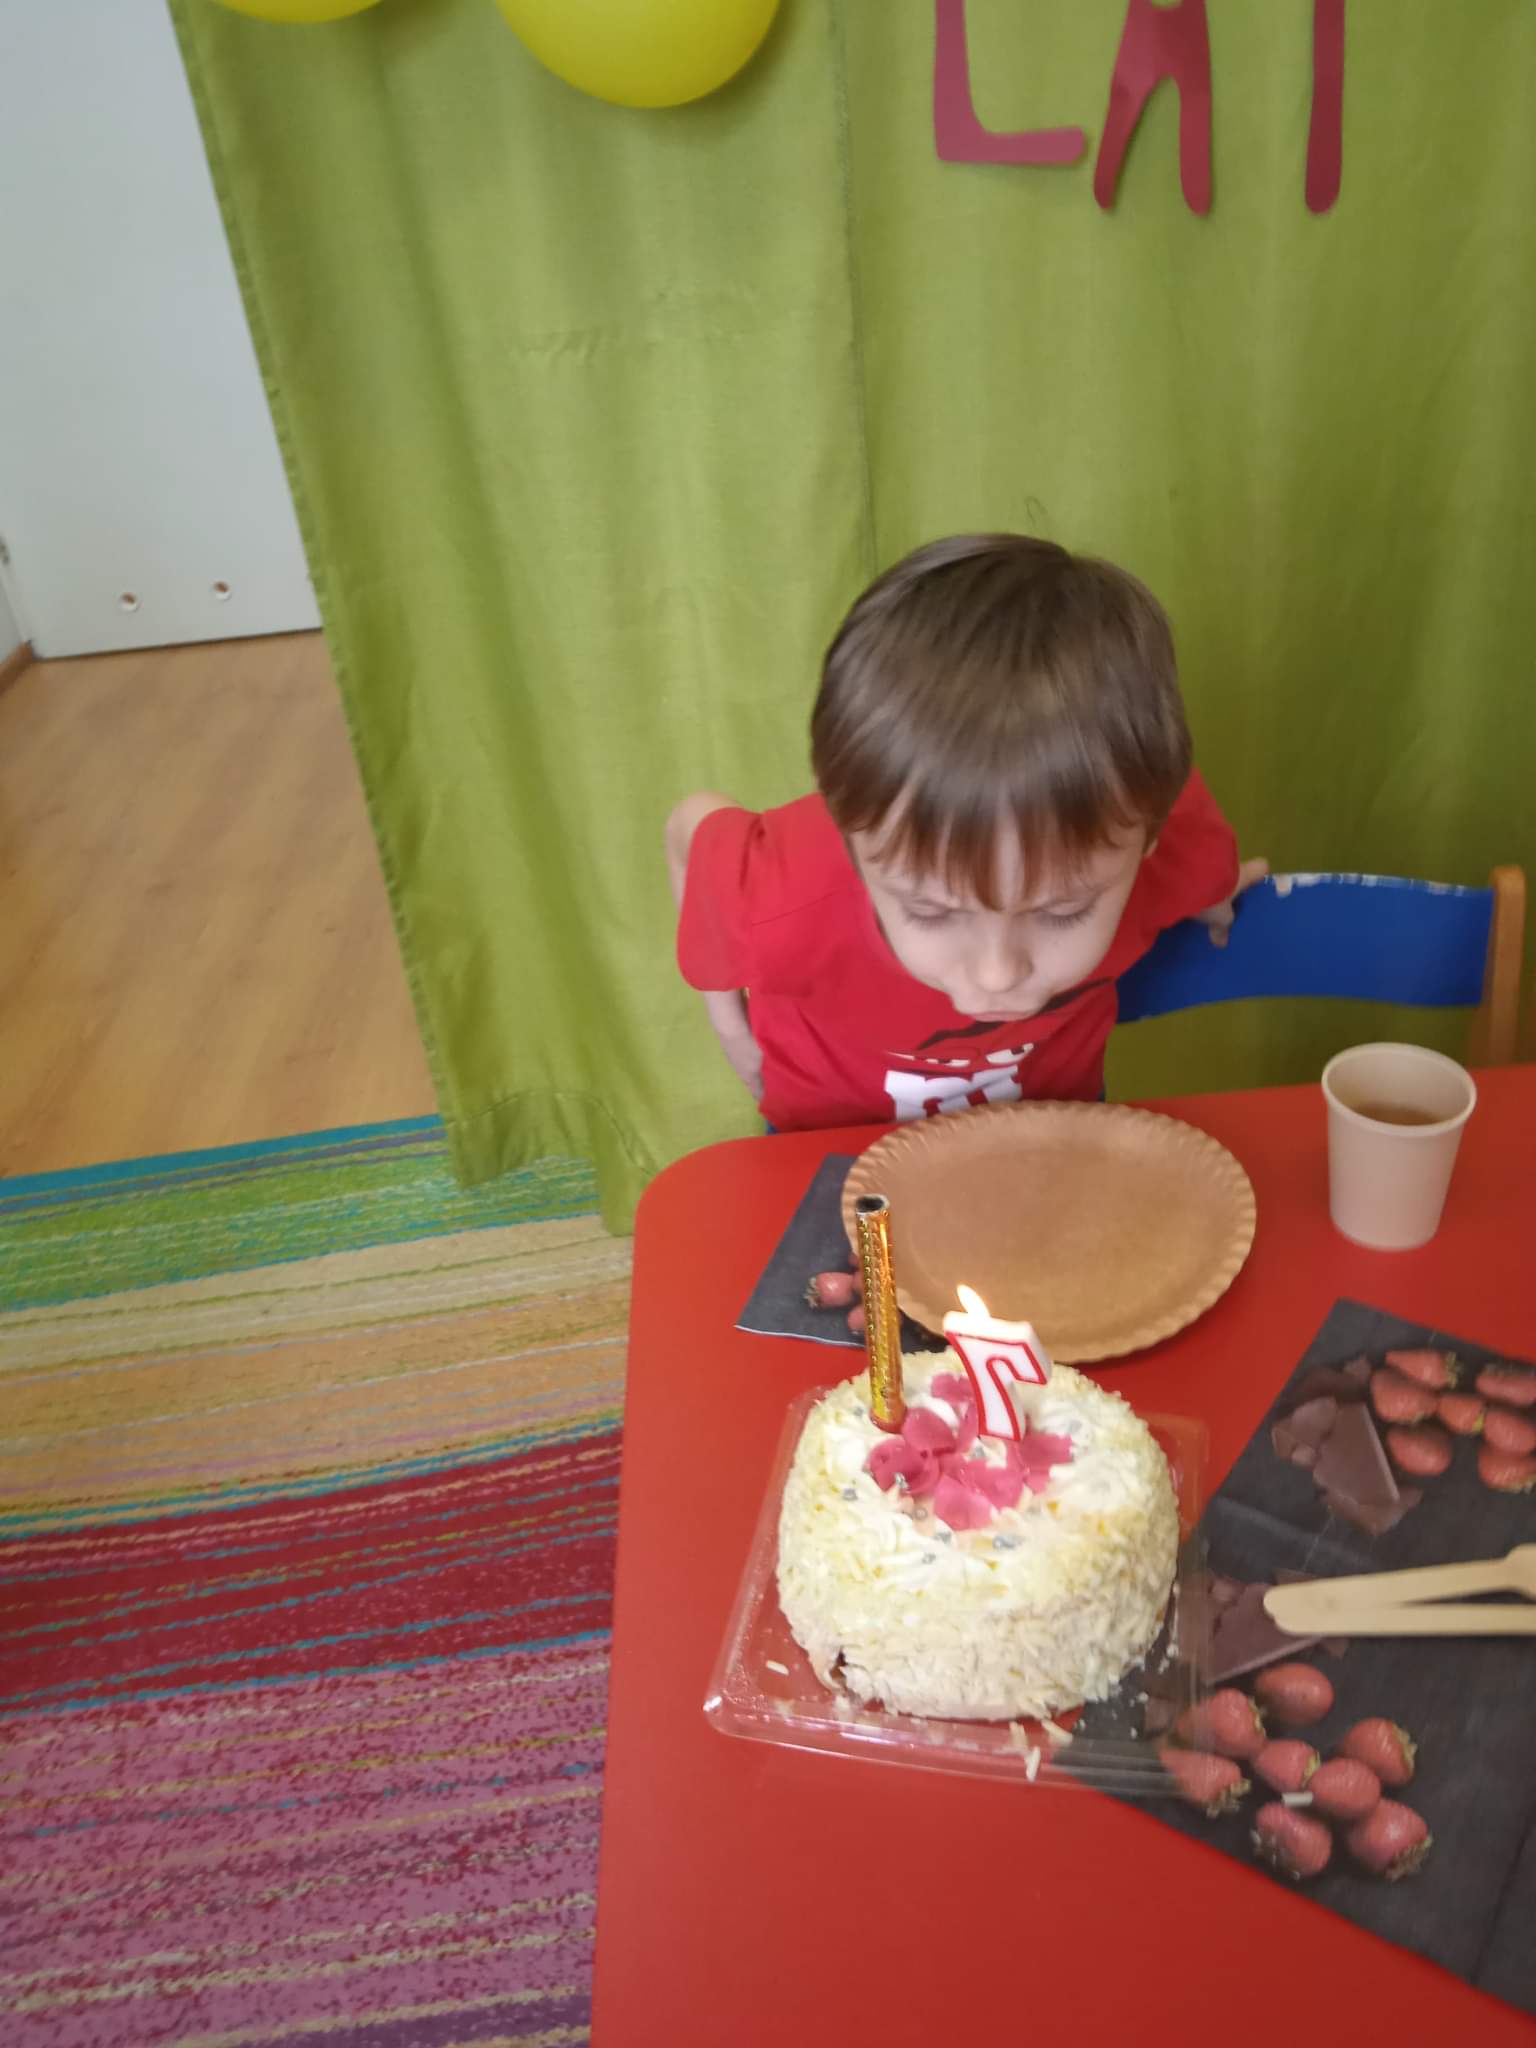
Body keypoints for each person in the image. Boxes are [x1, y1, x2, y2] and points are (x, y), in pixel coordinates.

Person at [665, 534, 1265, 1131]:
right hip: (832, 1147)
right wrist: (731, 1026)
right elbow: (690, 827)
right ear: (851, 848)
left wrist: (1208, 890)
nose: (997, 974)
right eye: (930, 911)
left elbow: (1195, 852)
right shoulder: (781, 898)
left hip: (1049, 1129)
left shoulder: (1170, 842)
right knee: (858, 1211)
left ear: (1148, 844)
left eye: (1062, 911)